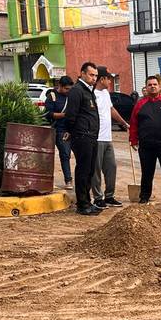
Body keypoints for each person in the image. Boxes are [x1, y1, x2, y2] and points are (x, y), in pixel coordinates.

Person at [128, 75, 161, 204]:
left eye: (154, 84)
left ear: (159, 86)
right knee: (147, 172)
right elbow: (134, 123)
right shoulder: (140, 104)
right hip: (146, 146)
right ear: (146, 87)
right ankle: (144, 197)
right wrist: (133, 139)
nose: (152, 87)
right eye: (149, 85)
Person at [65, 61, 101, 216]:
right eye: (91, 75)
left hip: (92, 136)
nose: (94, 78)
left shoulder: (89, 91)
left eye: (96, 76)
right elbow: (71, 115)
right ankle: (82, 204)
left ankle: (88, 201)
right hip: (82, 136)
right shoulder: (77, 91)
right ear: (83, 73)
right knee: (83, 170)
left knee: (90, 171)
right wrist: (74, 132)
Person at [91, 66, 129, 209]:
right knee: (96, 169)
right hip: (96, 138)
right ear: (102, 79)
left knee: (111, 167)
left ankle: (109, 196)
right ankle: (98, 197)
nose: (111, 82)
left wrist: (124, 123)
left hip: (108, 137)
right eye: (109, 79)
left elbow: (111, 109)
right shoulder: (92, 94)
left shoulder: (106, 93)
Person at [45, 76, 74, 190]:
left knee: (65, 155)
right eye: (66, 89)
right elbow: (48, 114)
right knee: (48, 156)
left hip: (66, 131)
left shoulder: (70, 97)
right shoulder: (52, 97)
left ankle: (68, 180)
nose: (68, 91)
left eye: (69, 89)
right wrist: (64, 115)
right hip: (55, 130)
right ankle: (48, 180)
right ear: (60, 86)